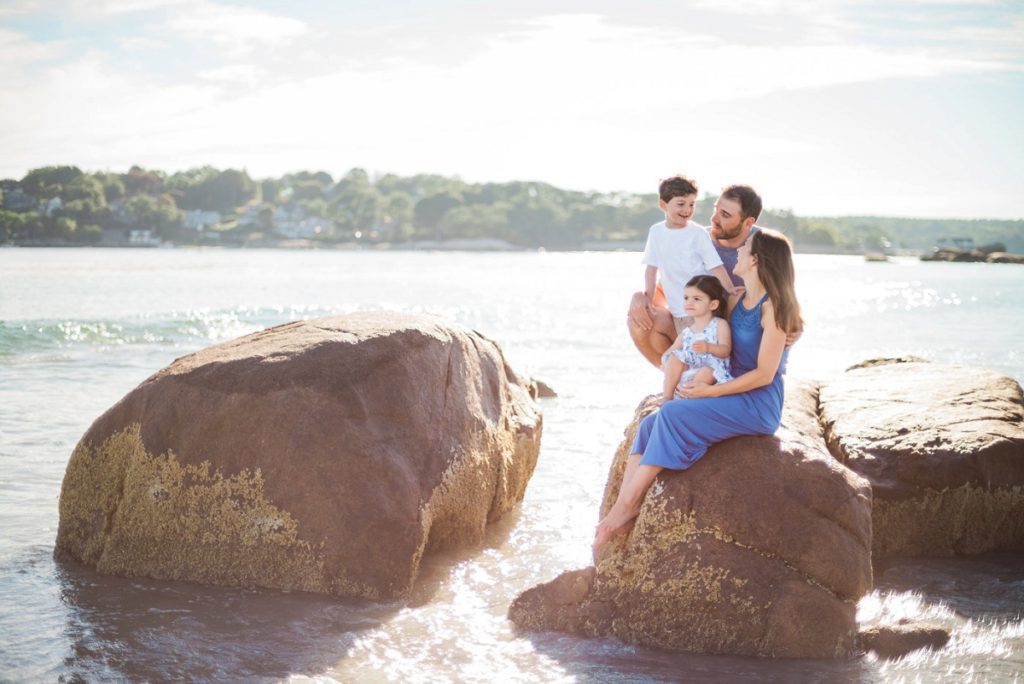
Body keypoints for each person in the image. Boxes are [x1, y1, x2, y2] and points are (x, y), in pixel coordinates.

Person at [595, 228, 803, 549]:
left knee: (674, 414)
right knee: (651, 423)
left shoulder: (772, 308)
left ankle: (624, 509)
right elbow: (684, 300)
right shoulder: (734, 298)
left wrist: (709, 393)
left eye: (745, 247)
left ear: (757, 260)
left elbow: (764, 374)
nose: (739, 251)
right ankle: (626, 503)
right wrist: (641, 297)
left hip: (757, 401)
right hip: (727, 387)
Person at [628, 185, 762, 368]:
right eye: (716, 210)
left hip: (728, 328)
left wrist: (791, 325)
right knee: (640, 318)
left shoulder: (764, 247)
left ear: (748, 223)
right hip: (688, 316)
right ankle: (677, 380)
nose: (714, 219)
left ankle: (723, 374)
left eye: (725, 215)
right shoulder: (688, 236)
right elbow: (662, 280)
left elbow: (782, 300)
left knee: (736, 299)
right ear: (663, 205)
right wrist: (640, 298)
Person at [660, 275, 732, 403]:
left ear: (713, 304)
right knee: (675, 357)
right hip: (690, 372)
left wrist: (709, 347)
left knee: (706, 372)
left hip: (711, 372)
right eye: (686, 298)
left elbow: (726, 350)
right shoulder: (686, 333)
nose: (689, 303)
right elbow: (670, 352)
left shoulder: (719, 324)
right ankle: (667, 396)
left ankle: (690, 398)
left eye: (696, 299)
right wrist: (666, 362)